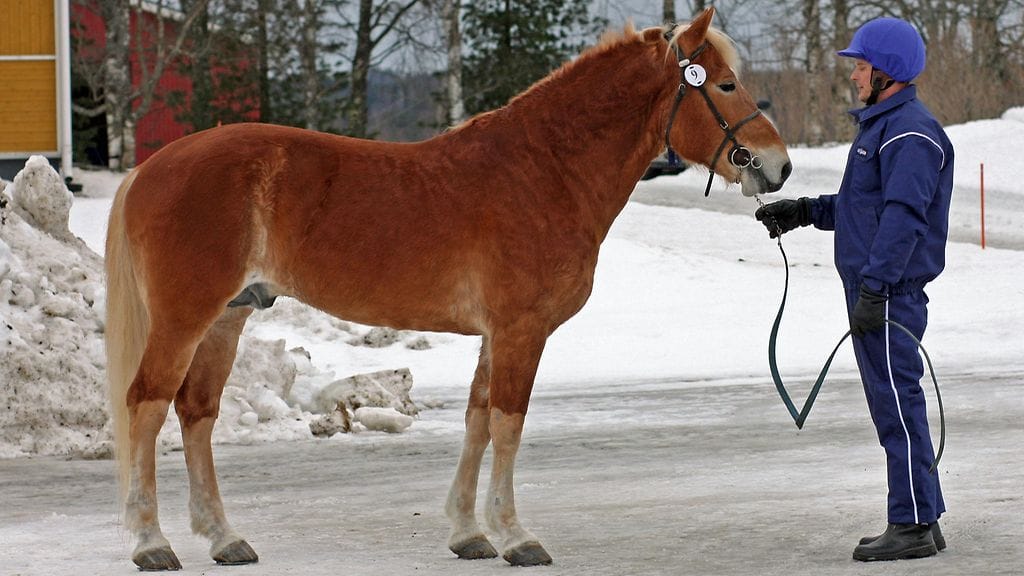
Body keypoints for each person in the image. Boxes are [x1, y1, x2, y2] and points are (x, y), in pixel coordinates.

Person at [754, 17, 953, 562]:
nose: (854, 75)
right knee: (895, 404)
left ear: (887, 71)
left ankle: (911, 524)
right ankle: (924, 516)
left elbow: (904, 217)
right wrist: (804, 211)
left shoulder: (910, 133)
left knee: (896, 407)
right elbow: (864, 208)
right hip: (877, 291)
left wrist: (876, 289)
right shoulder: (884, 127)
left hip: (889, 295)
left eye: (861, 66)